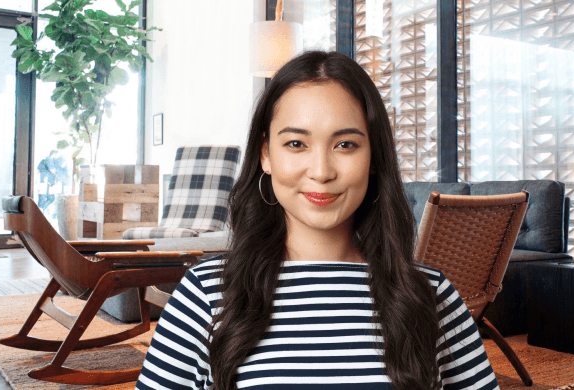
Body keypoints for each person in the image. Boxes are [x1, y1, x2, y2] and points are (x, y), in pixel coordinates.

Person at [135, 51, 499, 390]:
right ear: (266, 154)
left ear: (373, 156)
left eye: (346, 145)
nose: (322, 172)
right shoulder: (206, 293)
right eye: (296, 144)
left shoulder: (431, 295)